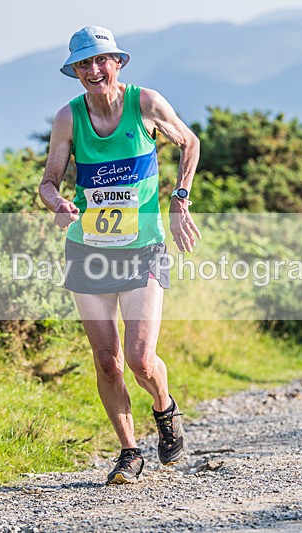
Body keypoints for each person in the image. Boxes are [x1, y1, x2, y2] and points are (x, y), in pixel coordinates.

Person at [38, 26, 201, 484]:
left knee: (139, 358)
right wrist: (59, 204)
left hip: (142, 249)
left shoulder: (145, 103)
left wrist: (179, 199)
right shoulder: (69, 118)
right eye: (83, 64)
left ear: (118, 63)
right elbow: (48, 182)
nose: (93, 70)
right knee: (106, 359)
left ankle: (164, 406)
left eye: (101, 61)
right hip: (88, 249)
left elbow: (189, 142)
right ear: (75, 72)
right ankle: (129, 451)